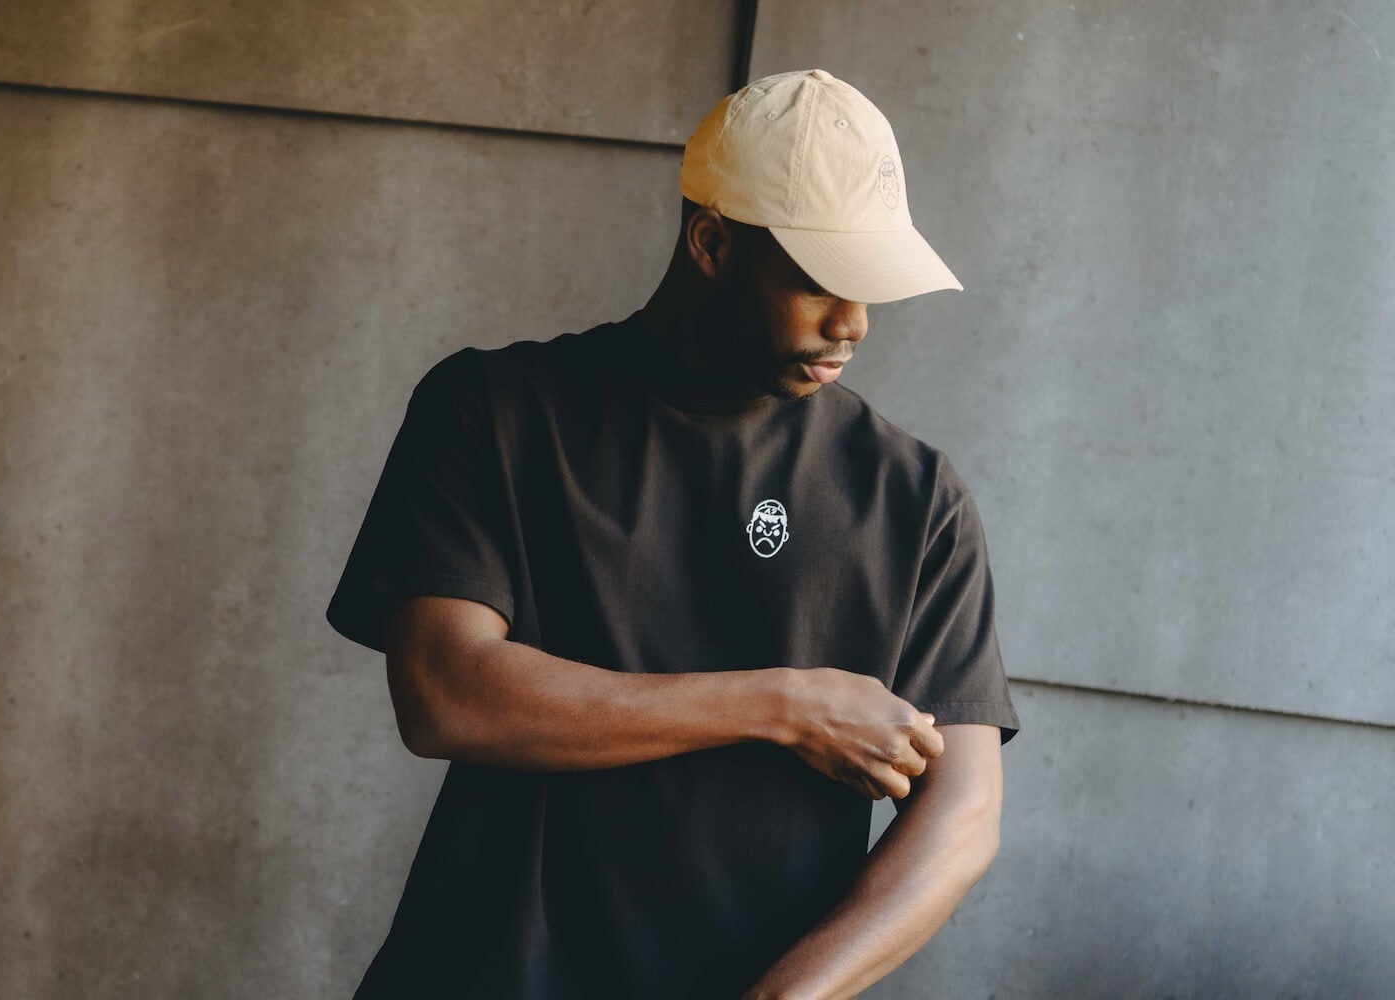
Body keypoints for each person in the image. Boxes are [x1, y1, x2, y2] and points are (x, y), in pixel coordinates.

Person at [325, 68, 1021, 999]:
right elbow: (445, 693)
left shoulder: (914, 496)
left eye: (872, 287)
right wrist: (784, 704)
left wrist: (787, 996)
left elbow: (964, 812)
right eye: (822, 280)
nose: (852, 323)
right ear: (711, 243)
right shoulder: (494, 411)